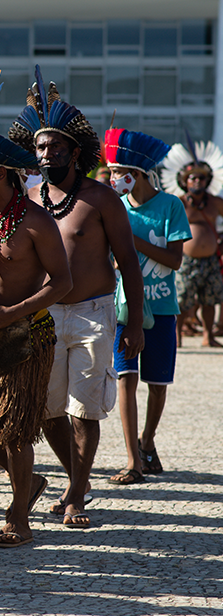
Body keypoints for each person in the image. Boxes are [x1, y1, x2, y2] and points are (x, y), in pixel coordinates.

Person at [9, 67, 145, 528]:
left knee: (84, 410)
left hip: (93, 313)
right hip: (44, 315)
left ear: (74, 151)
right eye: (41, 148)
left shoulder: (102, 198)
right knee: (48, 411)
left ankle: (75, 498)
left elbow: (128, 263)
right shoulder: (30, 197)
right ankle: (77, 481)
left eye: (55, 147)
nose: (47, 154)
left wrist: (135, 323)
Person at [0, 72, 72, 548]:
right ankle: (30, 483)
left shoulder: (37, 221)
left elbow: (63, 282)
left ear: (2, 173)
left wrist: (13, 312)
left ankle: (18, 516)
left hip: (28, 333)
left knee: (14, 428)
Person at [104, 128, 191, 484]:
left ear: (135, 174)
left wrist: (132, 241)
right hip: (123, 310)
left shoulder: (171, 206)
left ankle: (147, 440)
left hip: (163, 309)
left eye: (116, 172)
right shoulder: (114, 208)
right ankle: (132, 461)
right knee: (125, 379)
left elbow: (174, 260)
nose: (112, 178)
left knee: (157, 384)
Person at [161, 141, 223, 348]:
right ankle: (177, 336)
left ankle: (208, 336)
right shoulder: (177, 203)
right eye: (192, 178)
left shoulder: (215, 202)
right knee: (181, 300)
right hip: (186, 260)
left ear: (208, 180)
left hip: (211, 260)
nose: (197, 181)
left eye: (201, 178)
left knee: (209, 300)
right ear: (184, 181)